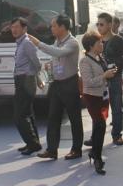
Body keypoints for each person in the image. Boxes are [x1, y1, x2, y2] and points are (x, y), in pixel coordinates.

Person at [28, 14, 83, 160]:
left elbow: (58, 53)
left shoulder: (72, 42)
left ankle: (76, 149)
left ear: (62, 27)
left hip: (69, 83)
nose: (51, 28)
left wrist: (38, 43)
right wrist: (51, 66)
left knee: (74, 118)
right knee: (53, 117)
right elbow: (56, 57)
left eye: (53, 26)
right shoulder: (57, 41)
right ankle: (52, 150)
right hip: (57, 84)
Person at [79, 31, 117, 175]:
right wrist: (104, 76)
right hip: (92, 97)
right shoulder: (84, 61)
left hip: (103, 96)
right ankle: (98, 158)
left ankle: (94, 153)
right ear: (91, 46)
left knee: (98, 125)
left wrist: (110, 71)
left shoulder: (100, 57)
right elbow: (88, 82)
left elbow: (103, 73)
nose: (102, 44)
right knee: (100, 125)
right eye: (99, 43)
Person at [97, 13, 123, 146]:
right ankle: (96, 137)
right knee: (98, 110)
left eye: (102, 24)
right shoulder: (96, 40)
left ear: (110, 25)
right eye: (97, 24)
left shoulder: (119, 40)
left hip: (116, 80)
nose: (99, 27)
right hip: (100, 80)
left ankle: (117, 135)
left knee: (117, 108)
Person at [11, 17, 42, 155]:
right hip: (21, 79)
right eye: (12, 27)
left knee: (20, 115)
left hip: (26, 80)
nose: (14, 30)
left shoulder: (27, 43)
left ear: (24, 29)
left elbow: (37, 63)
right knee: (27, 113)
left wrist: (34, 76)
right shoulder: (20, 43)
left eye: (17, 27)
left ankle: (32, 144)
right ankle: (33, 143)